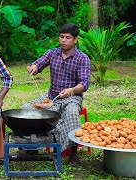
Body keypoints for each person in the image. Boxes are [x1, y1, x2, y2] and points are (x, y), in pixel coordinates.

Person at [23, 23, 91, 165]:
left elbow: (84, 83)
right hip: (52, 96)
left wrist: (72, 90)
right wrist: (34, 67)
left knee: (72, 113)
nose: (63, 40)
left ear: (75, 40)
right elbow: (39, 63)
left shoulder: (82, 58)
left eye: (67, 37)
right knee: (26, 109)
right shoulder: (52, 53)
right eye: (61, 37)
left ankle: (73, 152)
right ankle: (33, 145)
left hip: (72, 98)